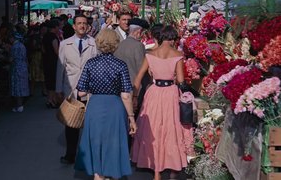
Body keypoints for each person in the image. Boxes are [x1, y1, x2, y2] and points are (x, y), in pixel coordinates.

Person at [74, 28, 137, 180]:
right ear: (115, 44)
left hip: (95, 106)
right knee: (113, 144)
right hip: (114, 107)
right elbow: (126, 95)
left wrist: (95, 86)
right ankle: (110, 172)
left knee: (96, 143)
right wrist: (131, 117)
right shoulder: (120, 65)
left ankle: (98, 175)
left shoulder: (90, 63)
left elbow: (81, 92)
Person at [131, 25, 192, 180]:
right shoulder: (177, 55)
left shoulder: (150, 54)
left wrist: (134, 98)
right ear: (172, 39)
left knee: (153, 129)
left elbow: (138, 78)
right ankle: (172, 168)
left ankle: (156, 172)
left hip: (154, 93)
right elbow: (180, 81)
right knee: (171, 129)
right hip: (170, 93)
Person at [56, 14, 99, 164]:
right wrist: (58, 89)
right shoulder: (65, 44)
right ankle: (70, 155)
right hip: (71, 88)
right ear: (73, 26)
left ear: (88, 26)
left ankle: (89, 155)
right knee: (71, 124)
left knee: (89, 123)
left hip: (89, 89)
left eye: (84, 23)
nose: (82, 26)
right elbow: (60, 68)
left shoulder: (94, 43)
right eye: (79, 23)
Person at [42, 19, 60, 108]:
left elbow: (43, 49)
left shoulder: (45, 36)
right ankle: (53, 101)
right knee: (53, 81)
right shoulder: (54, 37)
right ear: (55, 27)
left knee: (48, 81)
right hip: (53, 61)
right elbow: (57, 51)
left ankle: (49, 99)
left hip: (46, 60)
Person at [9, 32, 30, 112]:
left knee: (17, 87)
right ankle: (20, 105)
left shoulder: (14, 47)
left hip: (16, 67)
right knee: (22, 86)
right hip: (23, 67)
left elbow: (11, 59)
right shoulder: (22, 45)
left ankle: (19, 105)